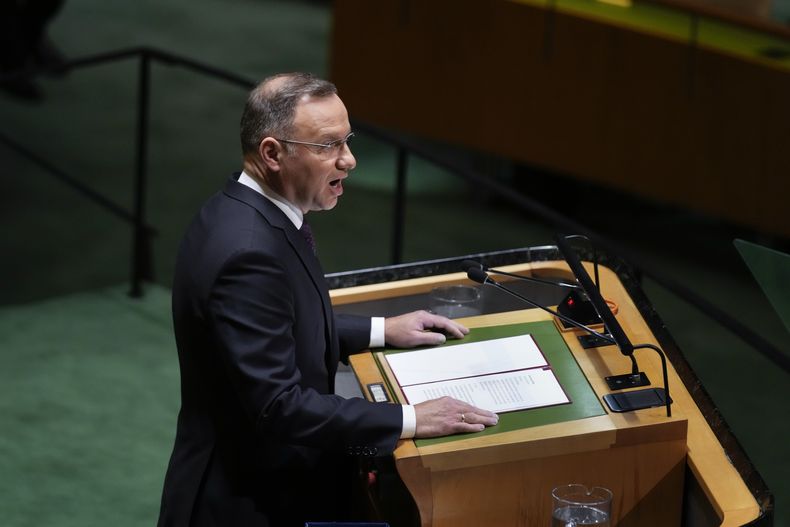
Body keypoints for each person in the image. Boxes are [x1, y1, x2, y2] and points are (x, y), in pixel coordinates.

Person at [157, 72, 498, 527]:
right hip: (245, 502)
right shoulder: (248, 251)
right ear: (272, 154)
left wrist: (382, 329)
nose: (349, 160)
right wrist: (409, 420)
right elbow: (279, 405)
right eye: (328, 146)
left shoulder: (247, 209)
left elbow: (280, 325)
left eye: (347, 140)